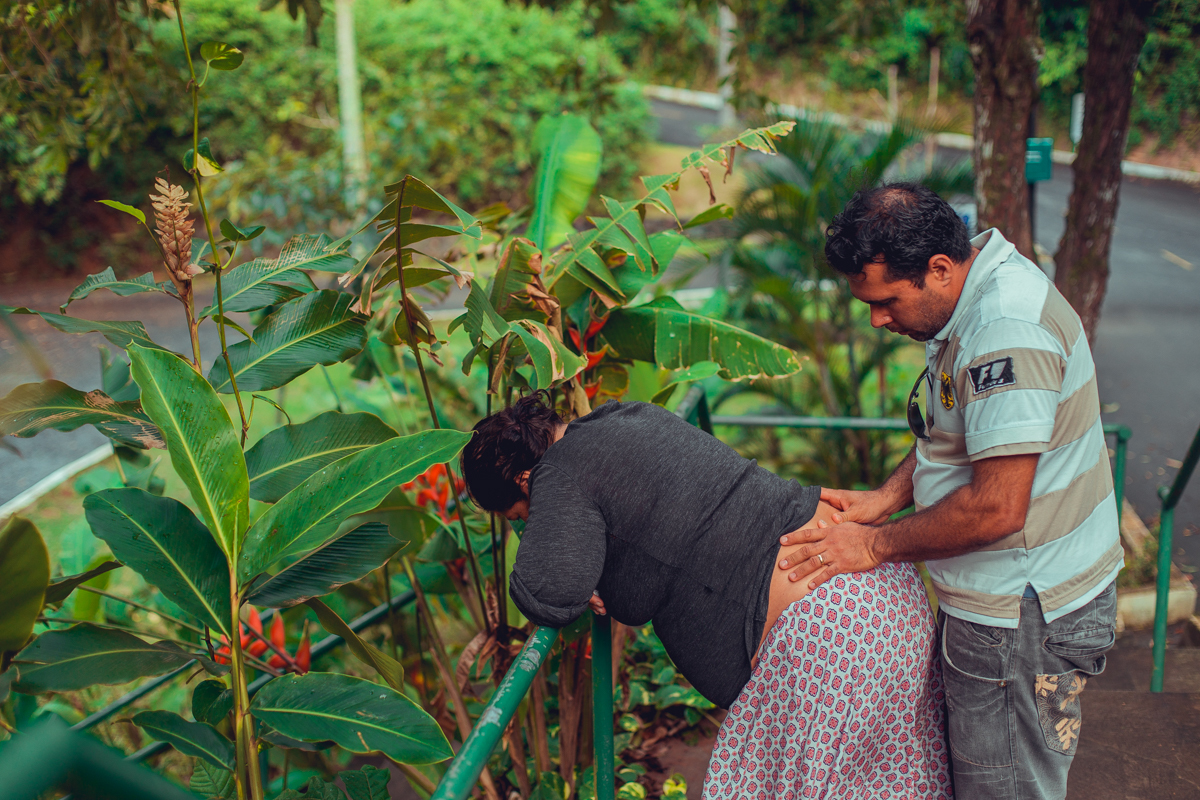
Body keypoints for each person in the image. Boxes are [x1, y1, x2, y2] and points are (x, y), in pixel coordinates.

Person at [777, 183, 1120, 800]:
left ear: (939, 268)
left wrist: (874, 546)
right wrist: (884, 497)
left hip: (1020, 615)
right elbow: (960, 431)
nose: (877, 320)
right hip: (1004, 602)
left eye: (886, 301)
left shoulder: (1004, 329)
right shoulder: (970, 293)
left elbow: (996, 507)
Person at [461, 394, 952, 799]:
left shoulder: (558, 474)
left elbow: (549, 592)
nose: (531, 528)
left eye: (522, 520)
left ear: (525, 481)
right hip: (878, 599)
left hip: (828, 644)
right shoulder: (622, 414)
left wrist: (552, 540)